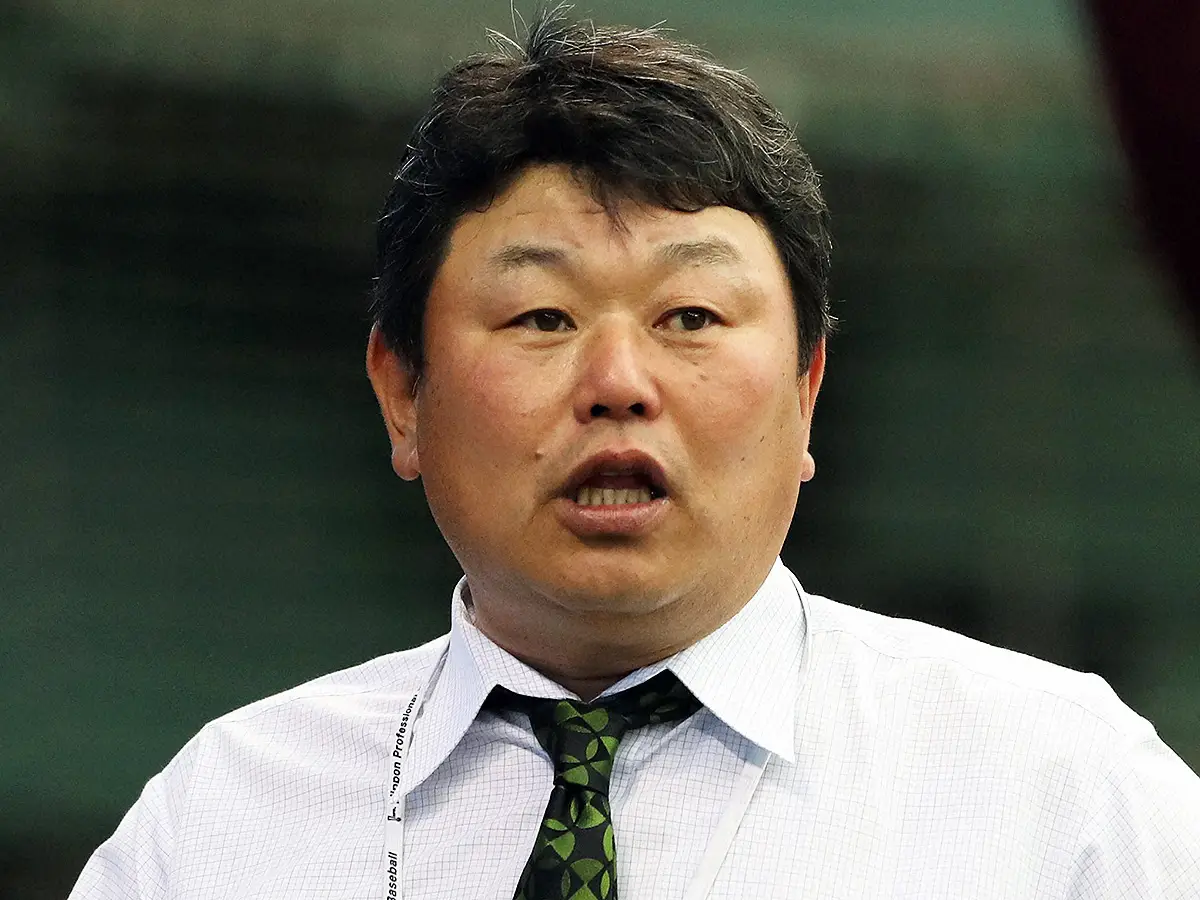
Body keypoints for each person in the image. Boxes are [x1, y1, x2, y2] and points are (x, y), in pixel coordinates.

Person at [69, 11, 1200, 900]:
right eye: (542, 318)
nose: (618, 382)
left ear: (806, 389)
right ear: (403, 394)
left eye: (691, 317)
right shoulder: (225, 823)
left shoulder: (1058, 793)